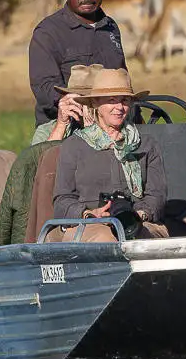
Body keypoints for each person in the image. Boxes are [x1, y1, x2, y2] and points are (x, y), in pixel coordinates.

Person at [48, 68, 168, 242]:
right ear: (95, 103)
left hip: (137, 222)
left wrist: (139, 215)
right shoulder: (73, 146)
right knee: (105, 238)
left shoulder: (147, 145)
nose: (119, 107)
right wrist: (90, 215)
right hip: (88, 225)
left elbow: (157, 195)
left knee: (148, 237)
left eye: (125, 100)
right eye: (112, 101)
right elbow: (62, 200)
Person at [28, 0, 129, 129]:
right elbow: (43, 86)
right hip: (65, 126)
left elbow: (122, 77)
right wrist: (71, 105)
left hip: (112, 125)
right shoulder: (48, 32)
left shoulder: (110, 27)